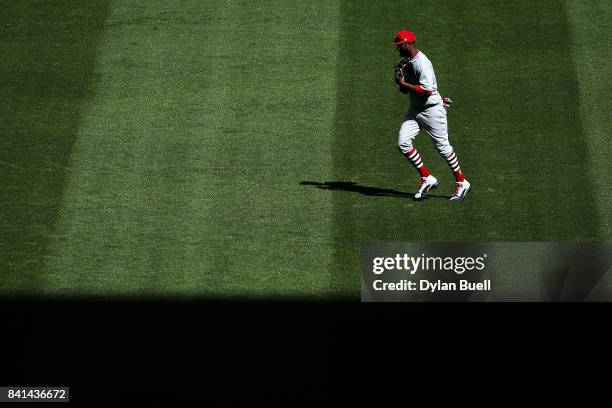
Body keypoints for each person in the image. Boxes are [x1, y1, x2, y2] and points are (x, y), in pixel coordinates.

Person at [393, 29, 471, 201]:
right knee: (403, 143)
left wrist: (404, 82)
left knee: (443, 147)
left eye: (400, 45)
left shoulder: (422, 62)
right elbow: (405, 91)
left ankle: (461, 181)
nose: (398, 49)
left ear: (409, 43)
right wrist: (400, 83)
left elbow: (427, 90)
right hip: (415, 109)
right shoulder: (407, 63)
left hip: (432, 110)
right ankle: (427, 178)